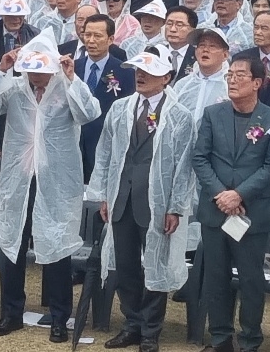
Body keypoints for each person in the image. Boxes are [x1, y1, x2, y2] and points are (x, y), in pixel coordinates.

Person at [0, 34, 100, 341]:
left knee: (56, 244)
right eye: (30, 68)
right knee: (12, 242)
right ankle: (11, 313)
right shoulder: (17, 86)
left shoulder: (65, 86)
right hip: (19, 177)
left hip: (56, 181)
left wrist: (73, 79)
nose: (36, 76)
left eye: (41, 69)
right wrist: (2, 69)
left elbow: (89, 113)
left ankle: (60, 317)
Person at [89, 52, 197, 352]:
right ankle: (131, 324)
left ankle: (151, 330)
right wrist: (103, 193)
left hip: (156, 201)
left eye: (148, 71)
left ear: (166, 77)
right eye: (137, 70)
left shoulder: (179, 115)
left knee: (155, 265)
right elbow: (106, 152)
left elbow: (184, 166)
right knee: (125, 266)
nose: (140, 75)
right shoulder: (121, 108)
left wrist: (176, 206)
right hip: (122, 197)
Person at [192, 54, 270, 352]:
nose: (232, 80)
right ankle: (220, 339)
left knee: (250, 281)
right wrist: (222, 194)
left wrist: (240, 194)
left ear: (257, 82)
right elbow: (199, 157)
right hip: (215, 210)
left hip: (252, 214)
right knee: (216, 278)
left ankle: (249, 340)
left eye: (240, 75)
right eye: (229, 75)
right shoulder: (212, 114)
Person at [75, 14, 135, 180]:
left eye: (98, 36)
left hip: (104, 143)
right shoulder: (72, 69)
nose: (91, 41)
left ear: (110, 39)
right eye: (87, 35)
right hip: (72, 144)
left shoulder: (125, 72)